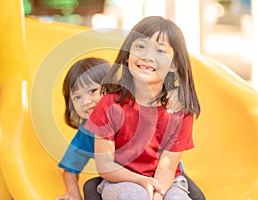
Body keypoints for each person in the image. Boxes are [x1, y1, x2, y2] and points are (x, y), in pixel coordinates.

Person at [84, 16, 205, 200]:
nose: (148, 56)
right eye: (140, 46)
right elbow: (105, 165)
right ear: (127, 55)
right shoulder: (110, 104)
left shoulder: (180, 111)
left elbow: (167, 167)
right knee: (135, 196)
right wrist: (142, 181)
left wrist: (157, 195)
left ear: (174, 65)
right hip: (121, 180)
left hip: (167, 182)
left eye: (160, 51)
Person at [57, 57, 110, 200]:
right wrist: (73, 193)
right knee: (91, 186)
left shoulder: (130, 115)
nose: (85, 102)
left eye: (92, 90)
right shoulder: (87, 133)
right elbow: (69, 170)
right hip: (117, 181)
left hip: (150, 174)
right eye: (77, 97)